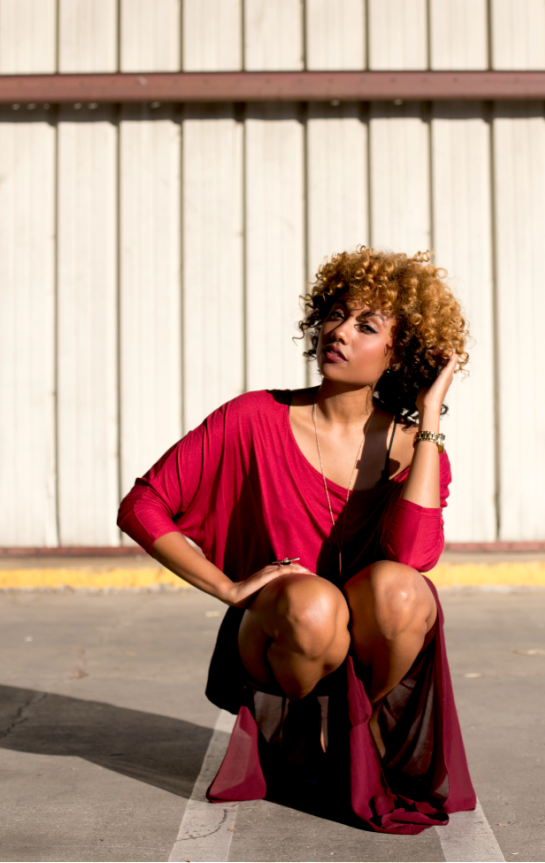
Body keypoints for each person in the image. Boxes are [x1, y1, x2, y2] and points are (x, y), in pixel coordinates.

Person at [117, 247, 476, 835]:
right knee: (313, 604)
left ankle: (348, 735)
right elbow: (143, 506)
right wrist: (228, 588)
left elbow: (413, 559)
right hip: (283, 630)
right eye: (334, 315)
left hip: (360, 636)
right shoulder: (253, 417)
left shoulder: (415, 449)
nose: (338, 332)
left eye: (366, 326)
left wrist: (428, 419)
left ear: (399, 351)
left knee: (405, 592)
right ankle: (303, 733)